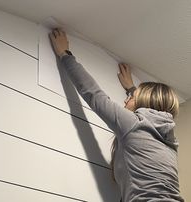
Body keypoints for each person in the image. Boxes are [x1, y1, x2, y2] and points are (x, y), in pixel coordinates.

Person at [49, 28, 184, 202]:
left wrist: (65, 54)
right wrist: (131, 89)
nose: (126, 101)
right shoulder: (169, 140)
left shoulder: (134, 125)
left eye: (131, 98)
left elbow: (94, 94)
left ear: (142, 102)